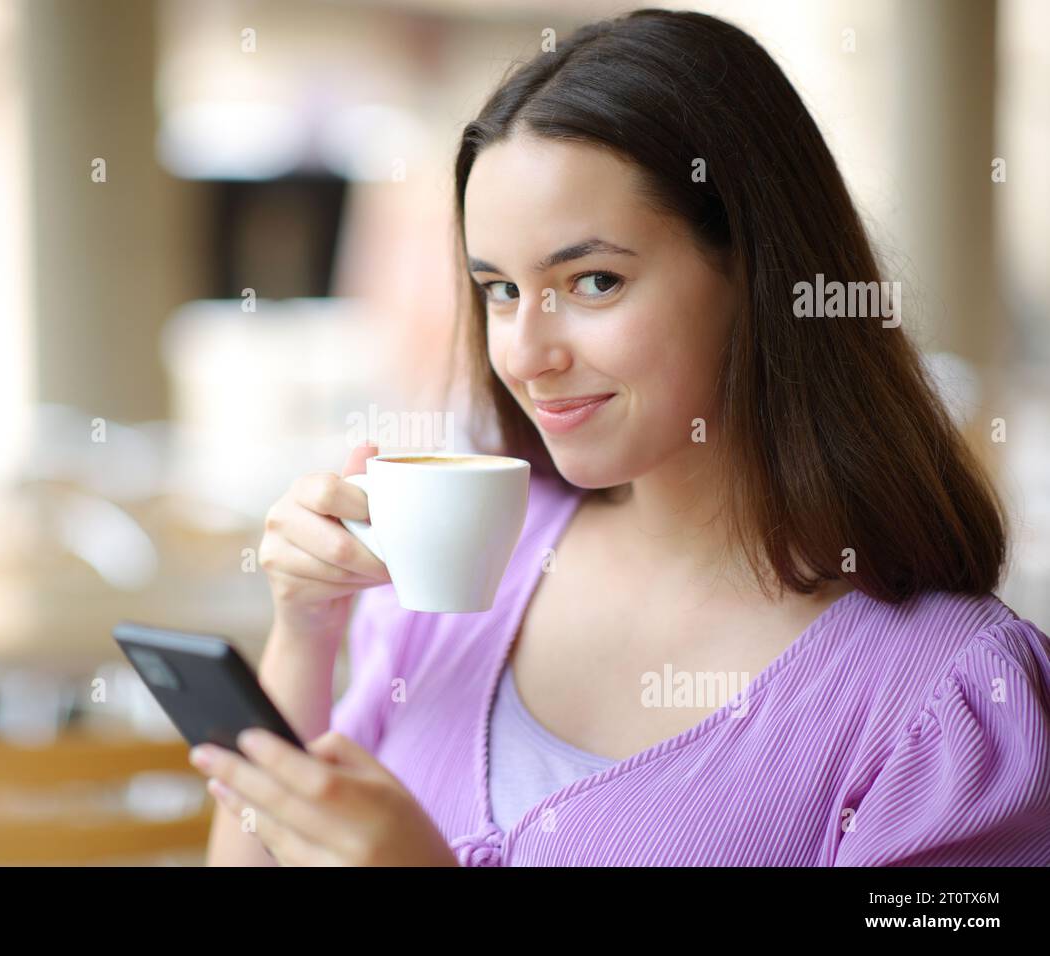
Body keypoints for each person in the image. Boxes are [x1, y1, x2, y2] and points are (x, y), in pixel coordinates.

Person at [192, 8, 1050, 866]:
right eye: (499, 290)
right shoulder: (456, 581)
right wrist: (305, 634)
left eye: (593, 280)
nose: (526, 354)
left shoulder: (948, 701)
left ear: (757, 272)